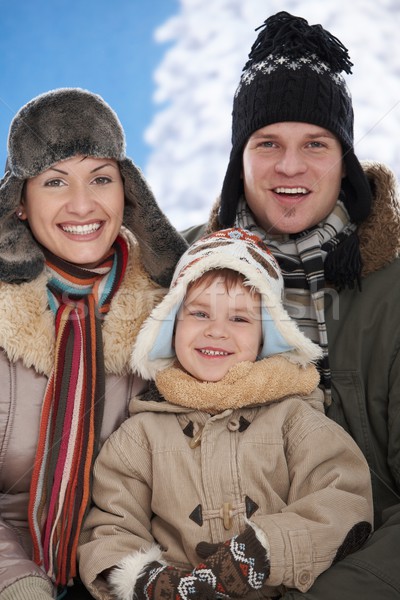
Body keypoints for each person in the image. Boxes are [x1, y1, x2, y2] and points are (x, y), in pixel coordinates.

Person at [183, 11, 400, 600]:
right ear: (239, 159)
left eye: (315, 143)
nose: (290, 166)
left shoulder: (392, 287)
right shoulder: (180, 281)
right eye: (268, 143)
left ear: (345, 158)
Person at [78, 227, 373, 600]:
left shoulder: (295, 419)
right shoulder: (140, 435)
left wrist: (262, 552)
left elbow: (343, 501)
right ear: (172, 326)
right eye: (200, 313)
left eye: (239, 319)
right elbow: (110, 525)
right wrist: (146, 581)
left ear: (267, 336)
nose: (216, 331)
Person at [0, 87, 188, 600]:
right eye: (55, 181)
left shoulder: (175, 313)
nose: (82, 204)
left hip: (128, 567)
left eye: (100, 179)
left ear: (127, 192)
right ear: (20, 203)